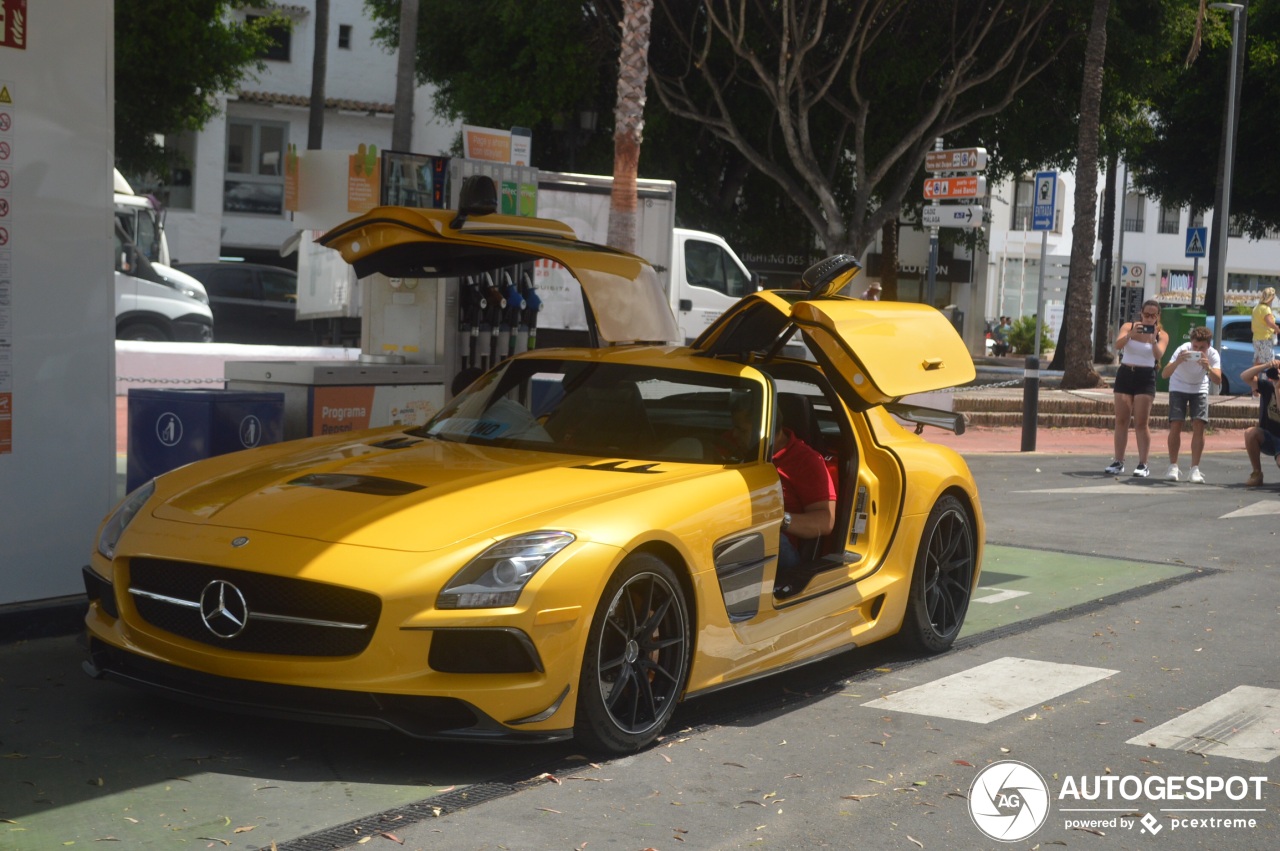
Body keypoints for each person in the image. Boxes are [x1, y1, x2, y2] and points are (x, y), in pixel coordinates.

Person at [1106, 299, 1168, 477]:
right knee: (1121, 420)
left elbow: (1159, 355)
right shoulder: (1129, 326)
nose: (1148, 319)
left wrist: (1153, 340)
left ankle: (1143, 463)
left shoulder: (1162, 334)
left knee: (1141, 422)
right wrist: (1130, 335)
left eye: (1152, 315)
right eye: (1146, 314)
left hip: (1145, 376)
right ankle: (1118, 461)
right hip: (1126, 373)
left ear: (1157, 317)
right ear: (1141, 313)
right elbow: (1117, 346)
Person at [1160, 325, 1221, 483]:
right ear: (1191, 343)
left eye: (1202, 347)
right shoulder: (1182, 349)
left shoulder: (1213, 354)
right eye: (1195, 346)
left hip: (1199, 388)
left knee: (1199, 425)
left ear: (1209, 345)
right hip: (1178, 386)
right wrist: (1178, 360)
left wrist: (1207, 367)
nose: (1197, 350)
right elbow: (1165, 374)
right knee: (1176, 423)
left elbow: (1218, 379)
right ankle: (1173, 466)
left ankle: (1195, 469)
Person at [1241, 359, 1280, 486]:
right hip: (1269, 436)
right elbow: (1245, 376)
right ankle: (1257, 473)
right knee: (1250, 433)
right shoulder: (1267, 387)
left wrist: (1278, 391)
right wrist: (1267, 365)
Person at [1251, 287, 1279, 367]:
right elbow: (1270, 323)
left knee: (1258, 361)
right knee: (1269, 362)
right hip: (1265, 339)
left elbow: (1253, 326)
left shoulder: (1256, 308)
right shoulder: (1266, 309)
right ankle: (1268, 378)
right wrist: (1277, 328)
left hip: (1256, 338)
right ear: (1271, 297)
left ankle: (1254, 377)